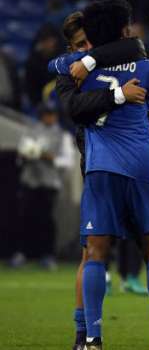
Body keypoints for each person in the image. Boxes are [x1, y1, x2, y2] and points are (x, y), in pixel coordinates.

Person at [48, 11, 149, 350]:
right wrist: (119, 95)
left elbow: (127, 47)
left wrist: (91, 59)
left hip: (113, 164)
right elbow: (74, 109)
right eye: (79, 45)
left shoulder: (94, 64)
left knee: (129, 248)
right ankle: (87, 336)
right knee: (98, 253)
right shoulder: (87, 71)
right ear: (71, 47)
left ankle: (130, 336)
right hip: (110, 162)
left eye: (90, 42)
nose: (87, 48)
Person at [74, 0, 149, 350]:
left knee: (96, 252)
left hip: (101, 167)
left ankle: (92, 339)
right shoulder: (146, 67)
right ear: (123, 29)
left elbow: (74, 109)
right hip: (143, 166)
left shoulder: (80, 73)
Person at [12, 104, 75, 269]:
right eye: (46, 114)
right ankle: (21, 254)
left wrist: (50, 158)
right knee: (24, 218)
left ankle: (48, 255)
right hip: (30, 180)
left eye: (52, 114)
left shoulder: (63, 136)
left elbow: (68, 162)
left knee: (46, 220)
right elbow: (20, 157)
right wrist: (26, 155)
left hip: (49, 183)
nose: (49, 117)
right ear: (41, 115)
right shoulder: (30, 132)